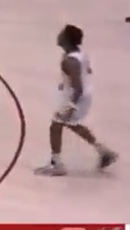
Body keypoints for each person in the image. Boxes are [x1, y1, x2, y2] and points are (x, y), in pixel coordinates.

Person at [35, 25, 118, 177]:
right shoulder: (79, 55)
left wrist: (71, 106)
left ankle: (56, 164)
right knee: (72, 125)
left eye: (61, 33)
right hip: (83, 95)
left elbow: (78, 87)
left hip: (76, 97)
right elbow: (87, 71)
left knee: (56, 125)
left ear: (66, 39)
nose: (58, 35)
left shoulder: (69, 61)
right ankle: (104, 152)